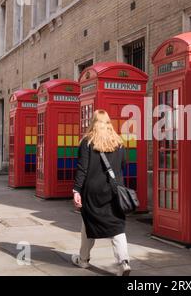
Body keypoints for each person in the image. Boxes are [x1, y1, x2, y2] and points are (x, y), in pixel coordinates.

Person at [71, 110, 131, 276]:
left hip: (92, 191)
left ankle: (83, 260)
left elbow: (82, 169)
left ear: (93, 122)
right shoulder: (118, 142)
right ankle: (123, 262)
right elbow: (123, 165)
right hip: (114, 190)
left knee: (88, 224)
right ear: (108, 122)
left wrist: (76, 190)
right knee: (117, 225)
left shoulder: (87, 142)